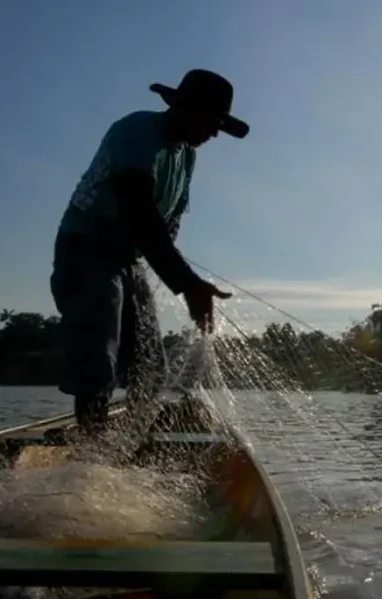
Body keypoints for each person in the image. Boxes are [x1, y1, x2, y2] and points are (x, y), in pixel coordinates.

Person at [50, 69, 245, 433]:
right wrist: (187, 283)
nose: (215, 132)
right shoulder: (137, 132)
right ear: (183, 109)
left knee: (151, 366)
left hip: (129, 258)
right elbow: (140, 214)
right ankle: (92, 453)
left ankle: (133, 442)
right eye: (212, 121)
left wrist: (180, 277)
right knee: (97, 358)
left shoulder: (186, 155)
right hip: (87, 249)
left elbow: (165, 225)